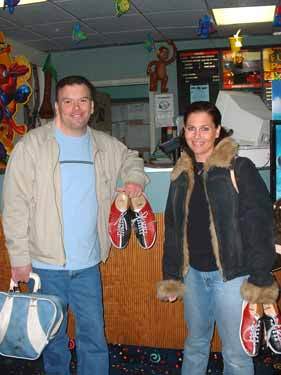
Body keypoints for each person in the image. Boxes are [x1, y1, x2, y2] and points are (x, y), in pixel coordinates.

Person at [2, 75, 149, 375]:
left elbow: (132, 158)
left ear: (92, 106)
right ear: (57, 106)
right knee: (53, 339)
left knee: (93, 337)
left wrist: (134, 179)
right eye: (68, 101)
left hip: (87, 265)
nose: (76, 108)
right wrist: (19, 261)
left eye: (82, 100)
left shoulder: (105, 145)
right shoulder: (31, 146)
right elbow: (14, 207)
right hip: (44, 265)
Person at [157, 101, 279, 375]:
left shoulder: (239, 168)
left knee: (235, 354)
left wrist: (260, 278)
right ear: (184, 131)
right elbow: (174, 228)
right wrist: (171, 275)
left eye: (204, 128)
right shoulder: (181, 174)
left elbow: (260, 224)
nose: (197, 135)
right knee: (195, 345)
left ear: (217, 131)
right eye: (191, 128)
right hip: (194, 276)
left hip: (232, 277)